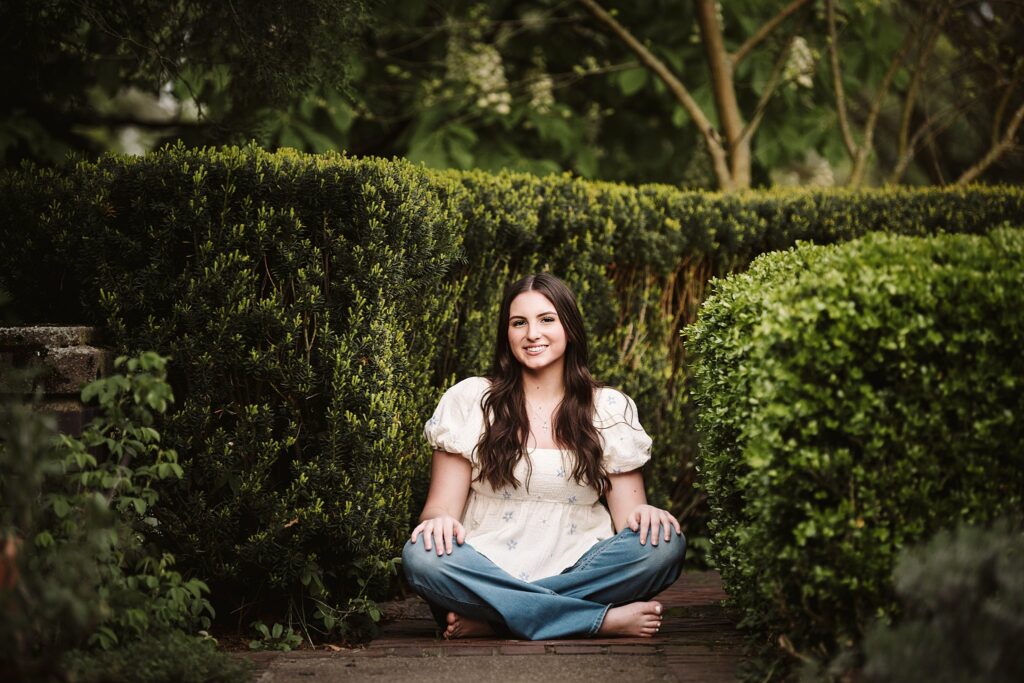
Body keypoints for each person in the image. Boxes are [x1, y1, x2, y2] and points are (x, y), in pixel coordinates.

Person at [402, 273, 685, 640]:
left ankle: (500, 620)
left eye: (546, 319)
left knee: (664, 545)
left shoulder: (609, 408)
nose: (532, 333)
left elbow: (629, 516)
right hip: (487, 567)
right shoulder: (471, 400)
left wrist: (645, 514)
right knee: (421, 557)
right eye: (519, 322)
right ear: (507, 334)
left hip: (580, 565)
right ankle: (594, 620)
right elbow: (439, 510)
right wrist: (437, 522)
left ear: (569, 327)